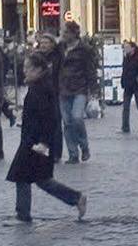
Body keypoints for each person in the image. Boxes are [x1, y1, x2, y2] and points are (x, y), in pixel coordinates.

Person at [8, 53, 86, 222]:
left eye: (27, 68)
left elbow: (49, 118)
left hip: (36, 142)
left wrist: (43, 142)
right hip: (32, 140)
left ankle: (24, 214)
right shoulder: (38, 86)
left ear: (38, 69)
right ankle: (24, 213)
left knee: (31, 178)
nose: (24, 71)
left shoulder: (42, 89)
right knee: (35, 178)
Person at [56, 25, 98, 163]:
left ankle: (84, 146)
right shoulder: (60, 48)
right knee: (67, 122)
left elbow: (90, 70)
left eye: (66, 32)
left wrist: (94, 90)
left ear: (74, 34)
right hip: (63, 89)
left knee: (77, 117)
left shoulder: (84, 49)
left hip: (79, 88)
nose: (64, 34)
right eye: (63, 32)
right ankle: (73, 154)